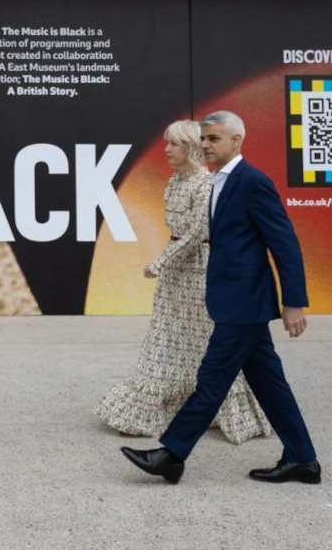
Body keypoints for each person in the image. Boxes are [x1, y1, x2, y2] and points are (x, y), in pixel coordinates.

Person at [121, 111, 321, 485]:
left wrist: (293, 301)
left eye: (214, 139)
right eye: (203, 139)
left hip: (244, 302)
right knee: (269, 384)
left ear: (236, 141)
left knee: (212, 378)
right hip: (231, 298)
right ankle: (303, 459)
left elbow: (284, 243)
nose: (206, 145)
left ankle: (172, 454)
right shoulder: (213, 182)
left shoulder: (252, 182)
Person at [95, 119, 271, 444]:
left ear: (189, 147)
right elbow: (180, 233)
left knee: (204, 341)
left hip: (201, 271)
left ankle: (214, 409)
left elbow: (196, 233)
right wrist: (167, 263)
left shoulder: (205, 184)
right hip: (176, 273)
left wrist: (160, 262)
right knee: (166, 339)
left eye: (173, 144)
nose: (166, 150)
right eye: (165, 143)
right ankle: (159, 410)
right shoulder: (177, 181)